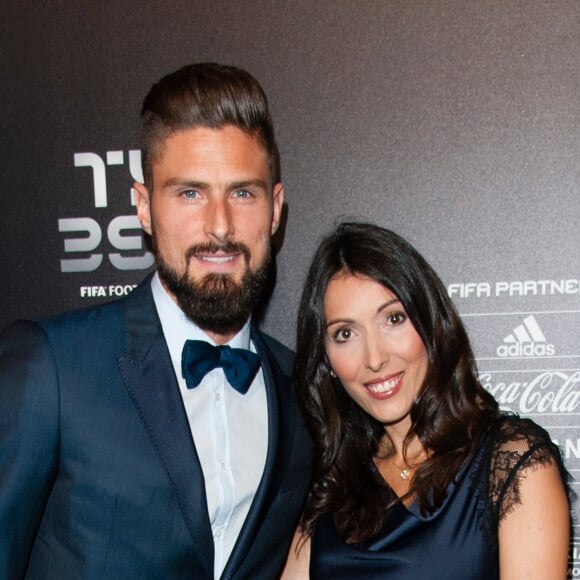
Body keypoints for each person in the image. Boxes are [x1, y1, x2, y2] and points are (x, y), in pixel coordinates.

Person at [0, 63, 312, 580]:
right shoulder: (53, 367)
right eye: (189, 193)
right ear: (144, 207)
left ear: (275, 209)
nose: (219, 227)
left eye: (242, 193)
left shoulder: (300, 392)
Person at [282, 222, 571, 579]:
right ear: (325, 359)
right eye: (345, 334)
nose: (374, 358)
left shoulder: (510, 461)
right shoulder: (330, 486)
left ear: (430, 322)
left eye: (393, 318)